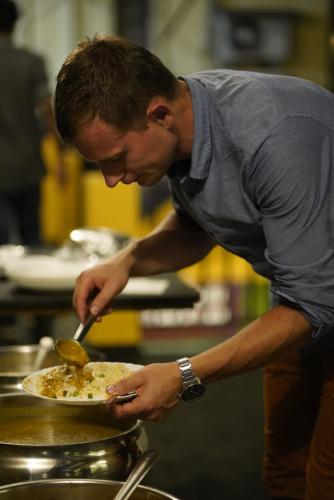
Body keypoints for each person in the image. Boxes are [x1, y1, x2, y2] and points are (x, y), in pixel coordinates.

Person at [54, 34, 334, 500]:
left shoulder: (273, 135)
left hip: (312, 304)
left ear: (159, 114)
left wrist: (184, 374)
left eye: (117, 159)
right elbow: (195, 226)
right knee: (285, 473)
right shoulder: (183, 118)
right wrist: (128, 261)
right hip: (300, 299)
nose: (111, 180)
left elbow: (314, 305)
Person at [0, 0, 66, 246]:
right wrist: (58, 159)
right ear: (15, 24)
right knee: (32, 238)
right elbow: (46, 110)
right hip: (28, 164)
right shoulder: (32, 62)